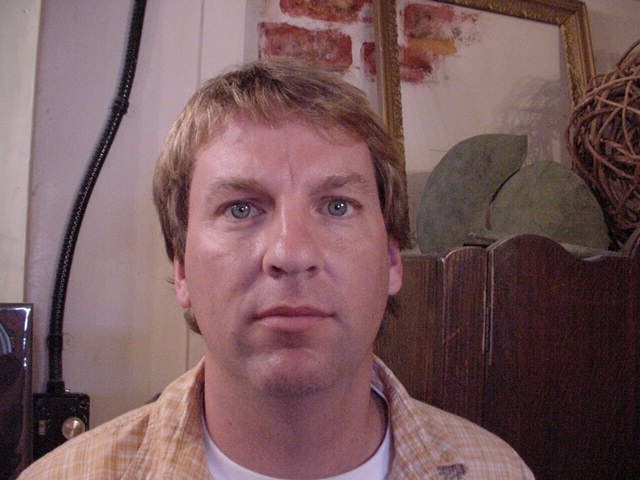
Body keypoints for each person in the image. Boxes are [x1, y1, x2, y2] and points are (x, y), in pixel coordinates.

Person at [20, 60, 533, 479]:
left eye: (337, 206)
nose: (291, 253)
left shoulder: (498, 471)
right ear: (181, 269)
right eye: (241, 208)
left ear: (392, 261)